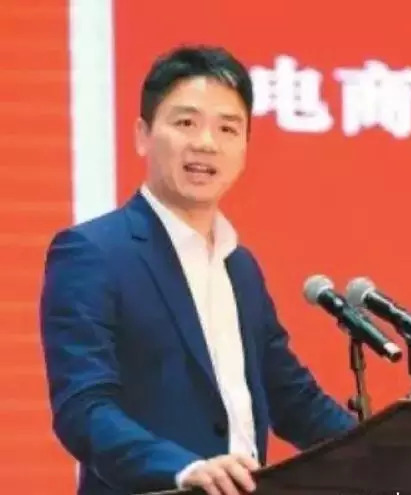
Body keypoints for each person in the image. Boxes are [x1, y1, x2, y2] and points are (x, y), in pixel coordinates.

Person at [39, 45, 357, 495]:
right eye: (186, 123)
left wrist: (392, 452)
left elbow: (293, 400)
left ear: (244, 148)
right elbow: (84, 408)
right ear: (143, 135)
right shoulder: (93, 253)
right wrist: (182, 469)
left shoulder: (239, 267)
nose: (207, 143)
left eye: (228, 128)